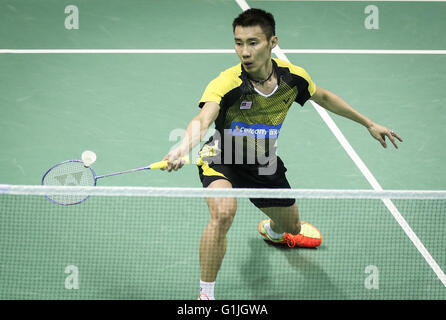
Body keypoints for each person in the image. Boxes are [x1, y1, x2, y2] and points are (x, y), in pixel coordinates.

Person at [162, 8, 403, 300]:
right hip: (222, 156)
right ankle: (206, 295)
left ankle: (273, 231)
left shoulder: (293, 78)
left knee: (292, 226)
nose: (244, 51)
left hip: (263, 161)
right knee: (223, 214)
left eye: (253, 42)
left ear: (272, 42)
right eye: (239, 42)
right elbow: (203, 119)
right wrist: (183, 147)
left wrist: (369, 123)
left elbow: (323, 96)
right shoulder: (227, 82)